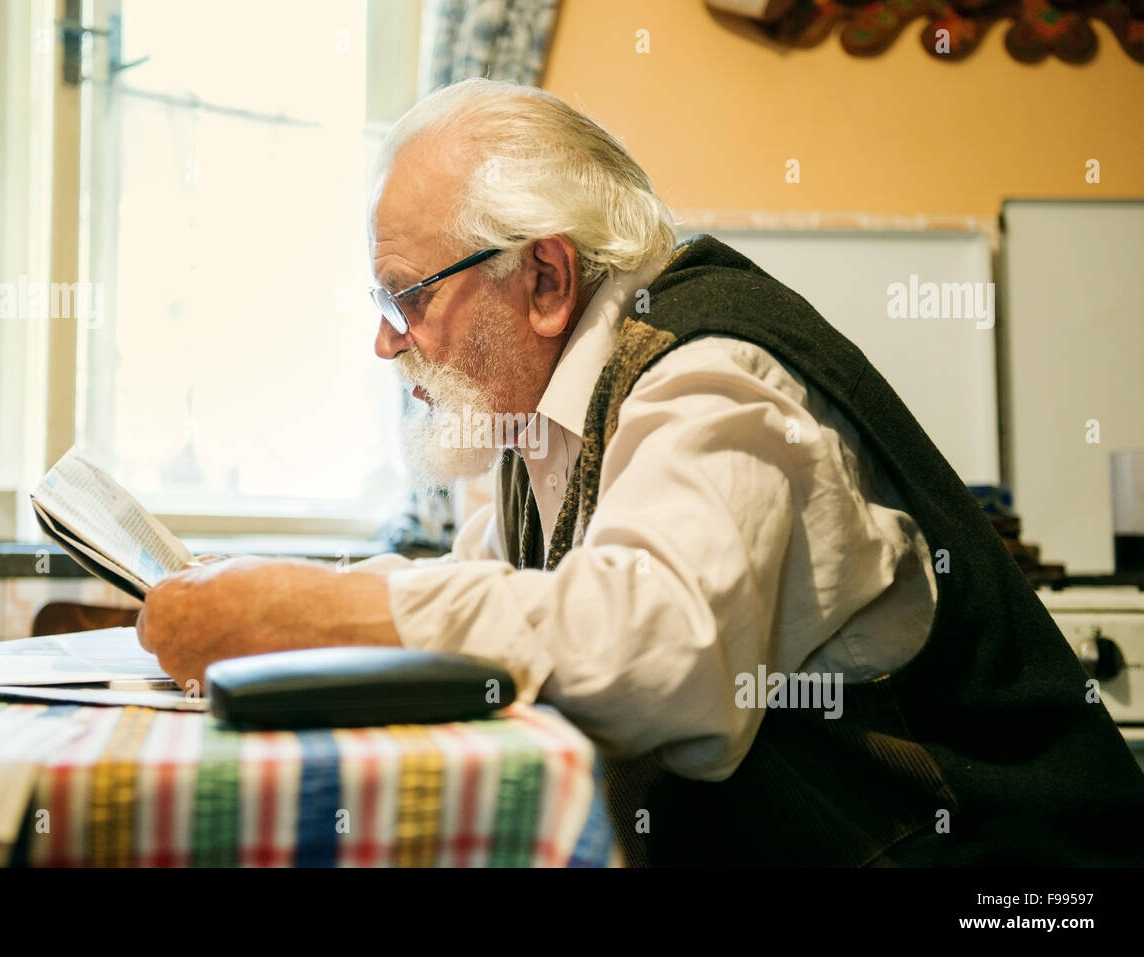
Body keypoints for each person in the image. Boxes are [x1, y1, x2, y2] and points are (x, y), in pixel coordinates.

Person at [136, 78, 1144, 866]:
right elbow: (489, 615)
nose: (385, 344)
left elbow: (653, 657)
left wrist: (312, 613)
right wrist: (271, 603)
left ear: (542, 278)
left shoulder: (714, 374)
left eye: (405, 298)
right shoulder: (530, 417)